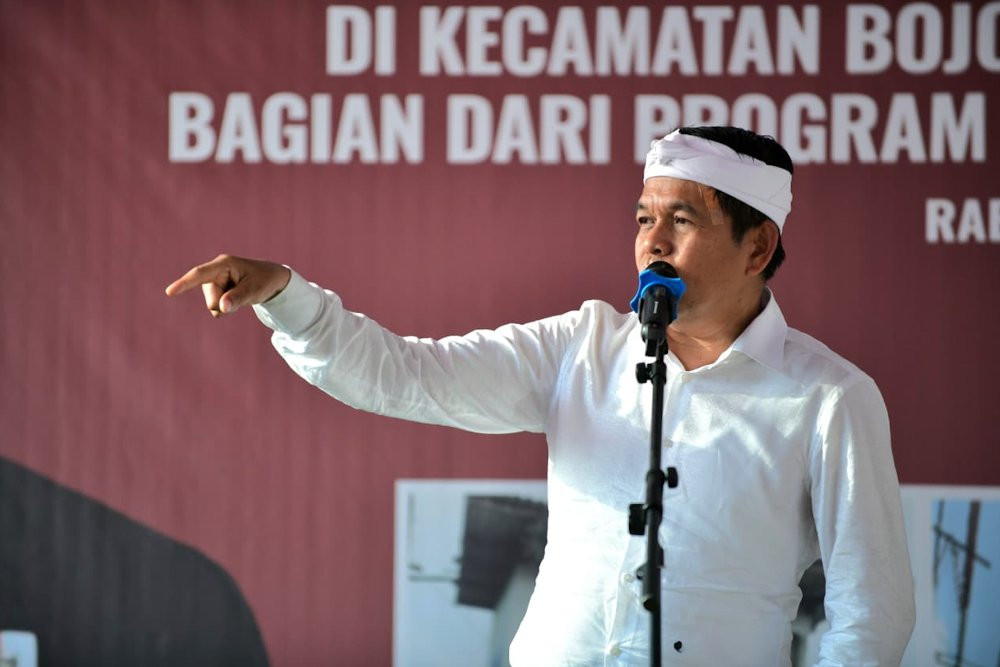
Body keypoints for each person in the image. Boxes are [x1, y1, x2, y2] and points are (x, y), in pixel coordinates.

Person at [166, 126, 916, 665]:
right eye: (644, 218)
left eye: (682, 220)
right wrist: (287, 298)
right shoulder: (578, 348)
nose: (652, 242)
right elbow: (405, 374)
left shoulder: (828, 398)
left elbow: (870, 614)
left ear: (758, 247)